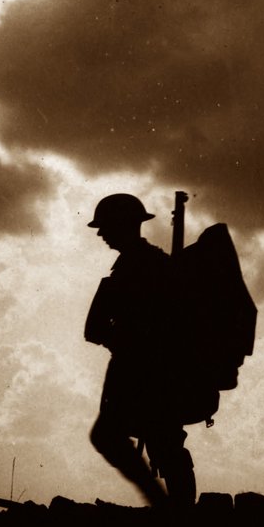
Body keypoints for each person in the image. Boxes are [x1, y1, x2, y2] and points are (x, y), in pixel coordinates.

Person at [83, 193, 196, 508]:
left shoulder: (138, 266)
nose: (100, 233)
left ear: (123, 225)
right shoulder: (149, 263)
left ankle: (165, 505)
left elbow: (100, 328)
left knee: (123, 438)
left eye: (105, 226)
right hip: (153, 369)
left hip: (141, 370)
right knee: (165, 441)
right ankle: (174, 509)